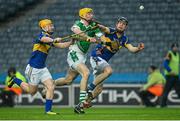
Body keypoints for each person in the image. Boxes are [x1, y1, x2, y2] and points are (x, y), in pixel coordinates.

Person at [7, 19, 72, 114]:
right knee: (32, 92)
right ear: (43, 28)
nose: (52, 27)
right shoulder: (41, 36)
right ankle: (15, 80)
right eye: (49, 26)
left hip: (43, 68)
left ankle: (48, 111)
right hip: (33, 69)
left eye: (52, 25)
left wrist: (71, 41)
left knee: (51, 86)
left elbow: (62, 45)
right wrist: (54, 40)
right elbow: (44, 39)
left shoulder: (50, 39)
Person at [54, 8, 103, 114]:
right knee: (86, 73)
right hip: (74, 53)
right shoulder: (78, 23)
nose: (91, 15)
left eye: (91, 13)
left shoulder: (94, 25)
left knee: (68, 80)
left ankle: (50, 85)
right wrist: (88, 38)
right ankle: (82, 101)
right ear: (82, 16)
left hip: (83, 56)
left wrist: (103, 40)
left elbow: (101, 37)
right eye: (88, 13)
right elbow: (76, 30)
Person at [86, 17, 145, 106]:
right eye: (120, 23)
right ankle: (89, 88)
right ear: (116, 24)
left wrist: (138, 48)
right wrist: (96, 25)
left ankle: (82, 104)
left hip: (103, 62)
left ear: (126, 27)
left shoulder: (124, 39)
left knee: (98, 90)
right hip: (96, 56)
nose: (121, 25)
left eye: (123, 24)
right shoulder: (111, 31)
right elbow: (103, 28)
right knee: (109, 71)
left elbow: (132, 49)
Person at [161, 43, 180, 107]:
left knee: (179, 90)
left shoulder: (177, 55)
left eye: (176, 47)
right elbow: (165, 64)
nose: (175, 48)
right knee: (166, 90)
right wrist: (170, 71)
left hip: (176, 76)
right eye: (174, 47)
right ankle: (163, 104)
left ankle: (163, 104)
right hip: (169, 76)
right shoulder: (169, 54)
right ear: (171, 48)